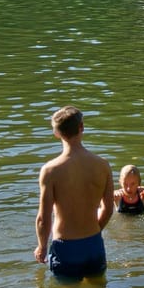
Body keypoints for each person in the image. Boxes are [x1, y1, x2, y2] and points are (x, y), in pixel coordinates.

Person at [34, 107, 115, 278]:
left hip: (65, 247)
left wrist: (41, 247)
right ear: (82, 127)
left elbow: (43, 218)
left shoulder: (50, 171)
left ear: (56, 133)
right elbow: (108, 209)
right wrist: (94, 232)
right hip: (93, 244)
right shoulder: (102, 165)